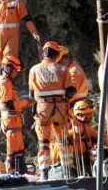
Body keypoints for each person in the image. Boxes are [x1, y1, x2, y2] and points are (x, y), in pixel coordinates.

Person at [29, 41, 76, 181]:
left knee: (43, 142)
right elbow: (71, 91)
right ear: (56, 55)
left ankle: (44, 173)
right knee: (63, 141)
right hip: (60, 109)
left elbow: (31, 95)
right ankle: (67, 172)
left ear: (44, 54)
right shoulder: (62, 69)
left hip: (43, 109)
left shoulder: (34, 70)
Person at [0, 56, 34, 173]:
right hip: (10, 120)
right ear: (8, 69)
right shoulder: (4, 83)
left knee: (19, 150)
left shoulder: (8, 83)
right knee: (12, 151)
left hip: (14, 121)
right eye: (15, 70)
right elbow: (9, 105)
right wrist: (26, 102)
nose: (16, 73)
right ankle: (11, 172)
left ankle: (21, 171)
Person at [65, 100, 98, 177]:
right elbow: (72, 133)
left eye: (90, 114)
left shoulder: (86, 127)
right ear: (79, 115)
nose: (90, 116)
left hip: (86, 160)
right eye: (87, 114)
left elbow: (99, 136)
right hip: (72, 164)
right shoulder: (70, 125)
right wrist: (76, 128)